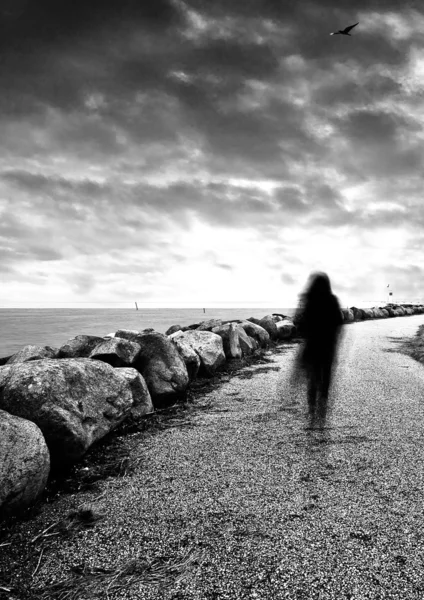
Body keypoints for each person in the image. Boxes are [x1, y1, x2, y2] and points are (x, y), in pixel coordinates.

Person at [293, 272, 343, 418]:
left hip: (312, 347)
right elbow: (339, 322)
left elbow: (300, 324)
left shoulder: (309, 300)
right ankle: (322, 407)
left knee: (312, 379)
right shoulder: (332, 300)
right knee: (325, 377)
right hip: (328, 347)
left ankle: (312, 409)